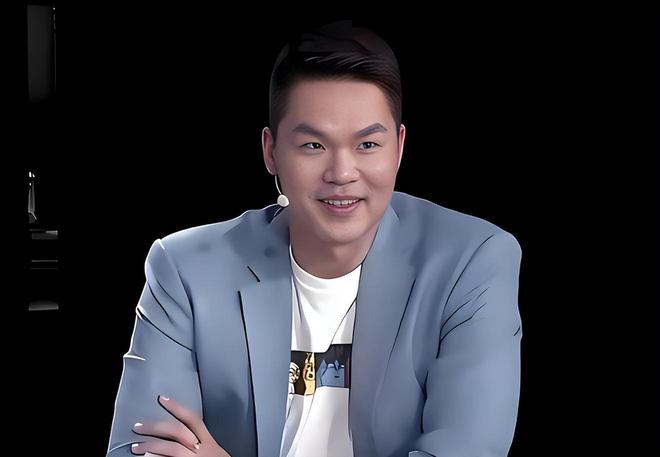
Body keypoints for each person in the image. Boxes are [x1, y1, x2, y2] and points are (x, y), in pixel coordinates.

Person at [107, 20, 523, 457]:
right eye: (313, 146)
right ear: (271, 151)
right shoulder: (186, 268)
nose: (342, 173)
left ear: (399, 148)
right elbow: (140, 447)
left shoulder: (470, 262)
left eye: (367, 145)